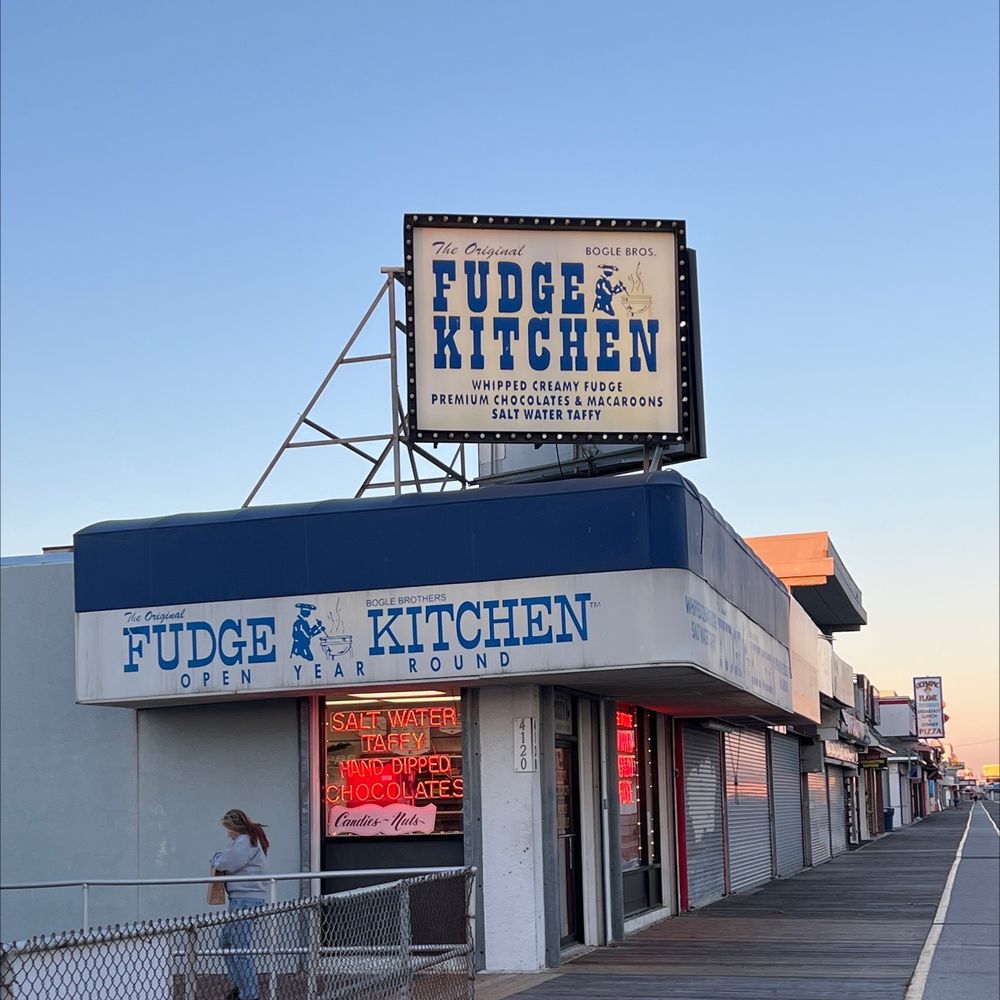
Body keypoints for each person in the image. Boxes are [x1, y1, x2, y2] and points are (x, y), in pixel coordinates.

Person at [211, 809, 270, 1000]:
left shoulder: (245, 841)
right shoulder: (250, 840)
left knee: (239, 949)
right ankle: (241, 988)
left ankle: (249, 994)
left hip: (244, 900)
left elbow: (227, 862)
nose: (227, 832)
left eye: (228, 828)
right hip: (242, 899)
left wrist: (215, 857)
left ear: (234, 826)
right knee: (229, 944)